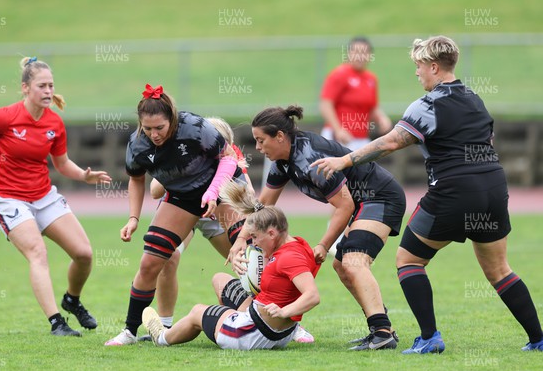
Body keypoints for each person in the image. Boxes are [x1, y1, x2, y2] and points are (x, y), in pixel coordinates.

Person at [312, 35, 543, 353]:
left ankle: (430, 338)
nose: (417, 72)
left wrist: (345, 159)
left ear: (434, 67)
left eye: (419, 66)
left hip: (453, 191)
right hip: (493, 188)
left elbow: (391, 142)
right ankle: (539, 339)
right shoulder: (474, 98)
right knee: (499, 269)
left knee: (408, 260)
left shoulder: (428, 104)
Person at [0, 57, 111, 336]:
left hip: (44, 196)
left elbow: (61, 163)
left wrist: (84, 175)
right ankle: (57, 322)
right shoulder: (2, 117)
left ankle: (72, 300)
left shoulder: (54, 123)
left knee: (84, 254)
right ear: (25, 88)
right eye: (41, 86)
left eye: (51, 86)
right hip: (9, 199)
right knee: (37, 253)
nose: (48, 91)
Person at [230, 105, 406, 350]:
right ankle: (380, 328)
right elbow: (263, 208)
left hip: (381, 197)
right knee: (342, 266)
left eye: (261, 140)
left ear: (279, 136)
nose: (258, 148)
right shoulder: (282, 162)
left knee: (353, 261)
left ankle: (383, 332)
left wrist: (323, 243)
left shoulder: (309, 158)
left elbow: (344, 205)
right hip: (362, 203)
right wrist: (240, 241)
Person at [105, 84, 244, 346]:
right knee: (150, 263)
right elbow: (136, 180)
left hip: (222, 188)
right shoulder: (137, 144)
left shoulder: (194, 127)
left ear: (172, 118)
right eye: (148, 128)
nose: (154, 134)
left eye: (160, 127)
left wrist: (213, 192)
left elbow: (228, 159)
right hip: (183, 197)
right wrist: (133, 218)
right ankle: (130, 331)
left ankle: (289, 325)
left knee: (248, 253)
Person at [141, 180, 320, 350]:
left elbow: (312, 296)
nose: (254, 243)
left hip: (253, 334)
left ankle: (161, 337)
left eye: (255, 237)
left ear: (272, 233)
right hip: (277, 329)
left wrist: (284, 311)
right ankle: (228, 319)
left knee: (197, 312)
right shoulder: (297, 244)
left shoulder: (289, 258)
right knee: (220, 279)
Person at [319, 36, 391, 151]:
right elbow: (325, 105)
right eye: (356, 52)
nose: (360, 56)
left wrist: (382, 118)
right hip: (339, 138)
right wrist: (338, 129)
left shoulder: (371, 79)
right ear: (348, 53)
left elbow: (372, 107)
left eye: (364, 52)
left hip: (361, 138)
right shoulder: (340, 74)